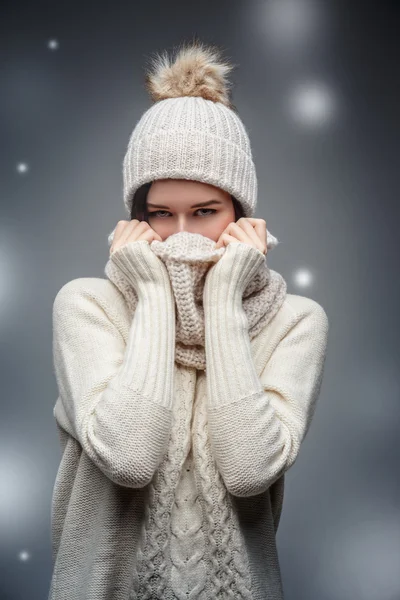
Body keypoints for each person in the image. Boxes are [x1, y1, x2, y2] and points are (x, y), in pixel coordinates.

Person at [48, 39, 329, 600]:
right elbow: (129, 457)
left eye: (204, 212)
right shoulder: (86, 305)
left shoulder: (295, 321)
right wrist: (154, 293)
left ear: (241, 215)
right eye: (159, 214)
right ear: (134, 219)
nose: (180, 236)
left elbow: (250, 470)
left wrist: (223, 300)